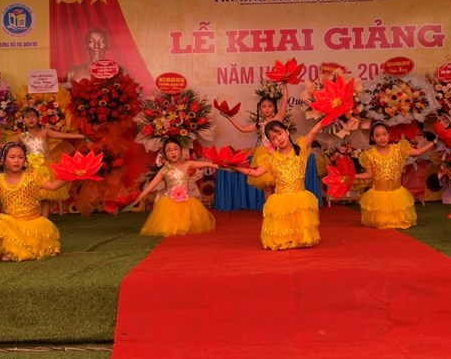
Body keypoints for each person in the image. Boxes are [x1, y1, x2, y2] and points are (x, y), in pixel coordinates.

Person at [233, 119, 324, 251]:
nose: (279, 139)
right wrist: (234, 166)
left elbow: (313, 132)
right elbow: (255, 172)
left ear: (287, 132)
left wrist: (329, 117)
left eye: (280, 134)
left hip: (299, 198)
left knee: (301, 234)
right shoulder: (271, 159)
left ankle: (296, 238)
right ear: (271, 142)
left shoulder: (300, 149)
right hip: (280, 200)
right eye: (274, 138)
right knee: (281, 236)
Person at [0, 142, 68, 261]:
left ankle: (18, 251)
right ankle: (11, 250)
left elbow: (52, 186)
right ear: (4, 160)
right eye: (12, 157)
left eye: (20, 157)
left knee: (32, 247)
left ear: (25, 160)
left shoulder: (33, 176)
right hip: (11, 224)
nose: (16, 161)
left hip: (33, 223)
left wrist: (73, 175)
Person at [355, 122, 436, 229]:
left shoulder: (398, 149)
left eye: (384, 134)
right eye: (378, 136)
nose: (382, 138)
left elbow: (417, 152)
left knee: (400, 221)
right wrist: (355, 176)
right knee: (381, 222)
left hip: (397, 194)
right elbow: (369, 174)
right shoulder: (369, 155)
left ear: (389, 134)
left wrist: (434, 142)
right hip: (379, 196)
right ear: (372, 138)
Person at [8, 107, 87, 217]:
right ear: (23, 120)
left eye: (33, 116)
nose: (30, 119)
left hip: (46, 167)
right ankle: (31, 217)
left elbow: (63, 135)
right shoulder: (21, 137)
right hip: (30, 168)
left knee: (46, 195)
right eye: (27, 117)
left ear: (38, 119)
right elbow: (7, 146)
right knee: (30, 194)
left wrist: (81, 136)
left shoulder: (45, 132)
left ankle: (44, 219)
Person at [132, 139, 217, 237]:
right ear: (165, 154)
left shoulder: (188, 164)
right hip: (169, 204)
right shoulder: (164, 170)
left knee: (186, 227)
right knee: (169, 228)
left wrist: (223, 165)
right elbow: (150, 186)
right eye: (169, 150)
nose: (173, 152)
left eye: (175, 149)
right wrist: (137, 199)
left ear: (181, 151)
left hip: (186, 203)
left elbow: (209, 164)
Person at [221, 85, 289, 199]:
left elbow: (285, 101)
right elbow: (242, 129)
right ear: (260, 109)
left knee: (280, 185)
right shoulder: (260, 123)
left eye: (270, 106)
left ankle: (280, 208)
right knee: (267, 187)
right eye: (264, 106)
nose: (267, 109)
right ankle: (268, 209)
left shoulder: (278, 118)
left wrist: (284, 84)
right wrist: (229, 117)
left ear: (274, 107)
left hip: (278, 153)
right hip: (264, 155)